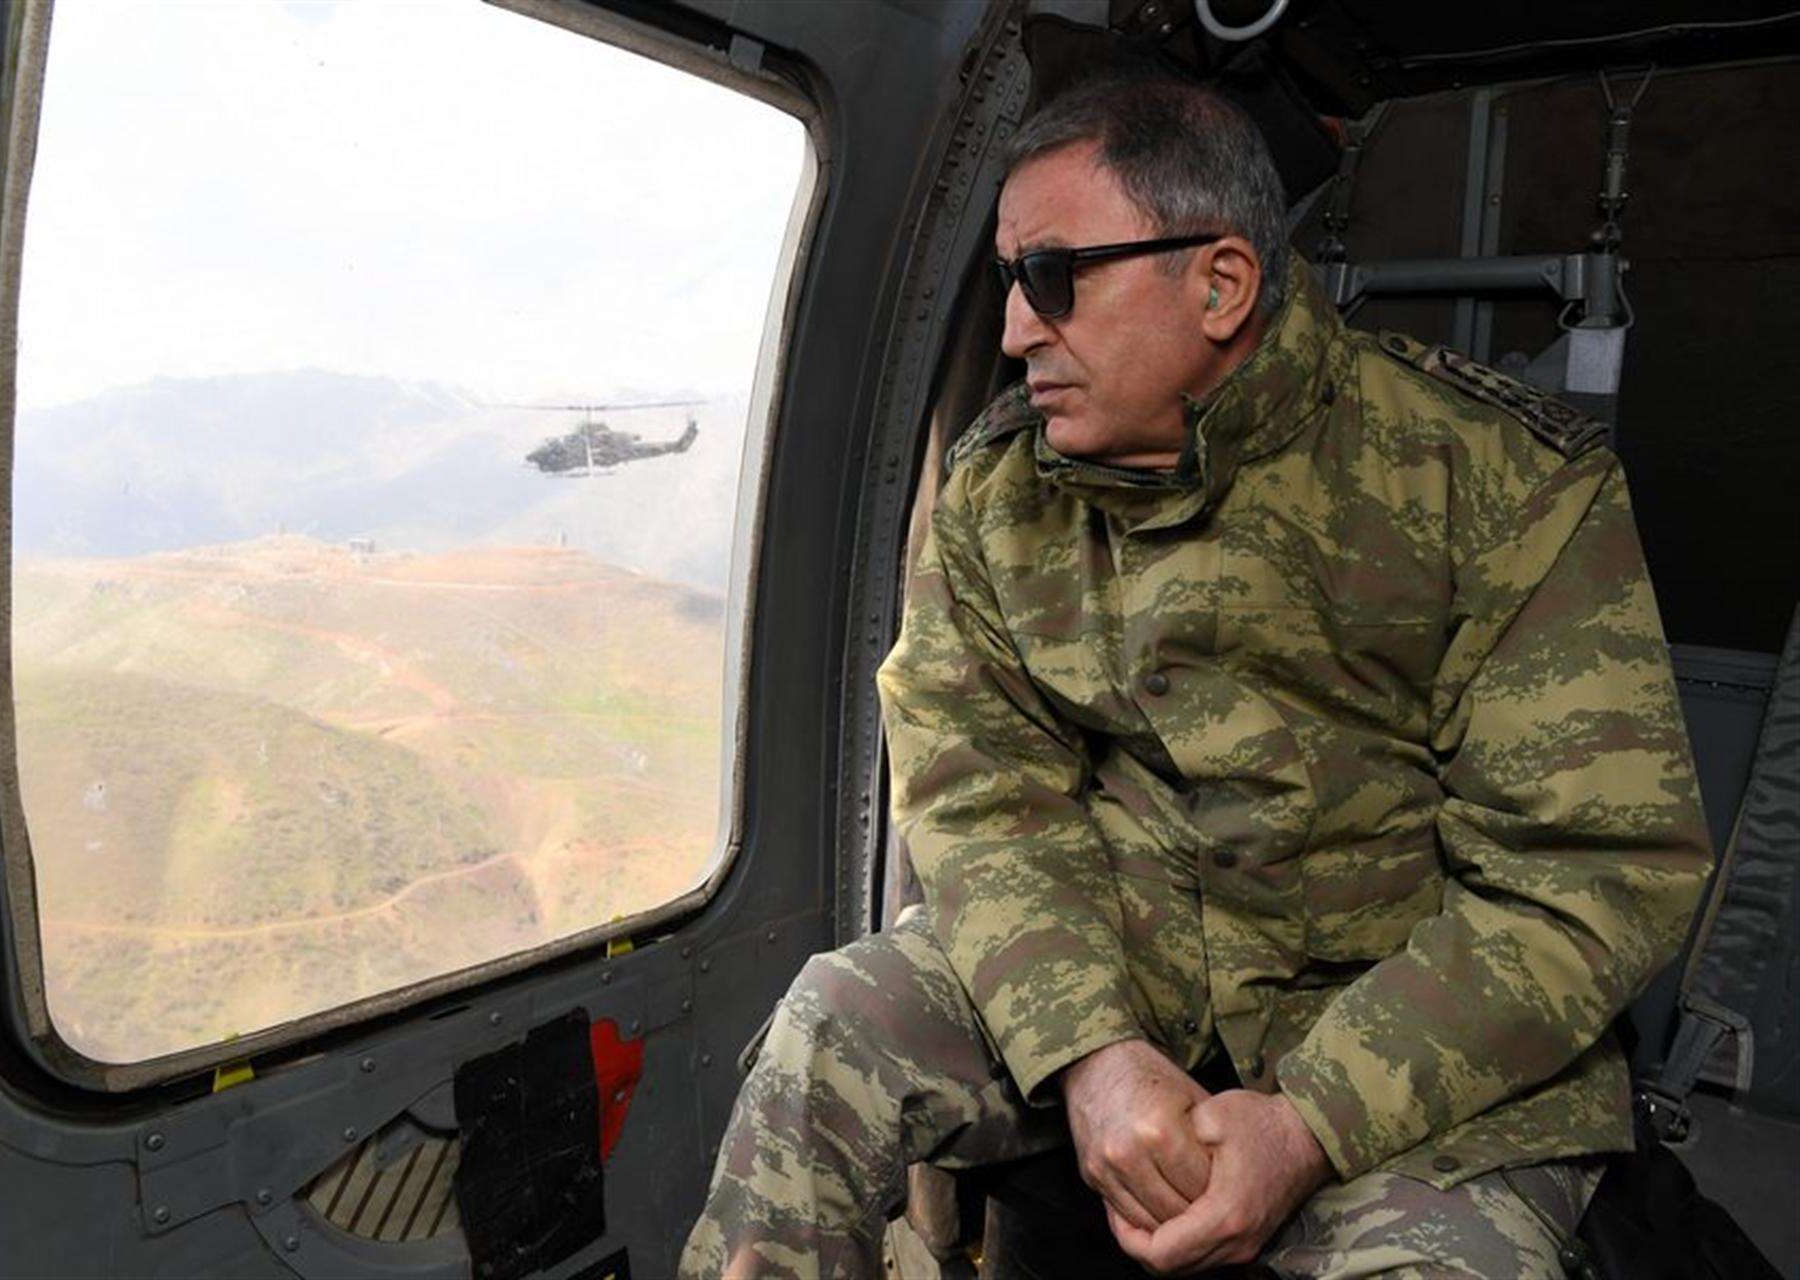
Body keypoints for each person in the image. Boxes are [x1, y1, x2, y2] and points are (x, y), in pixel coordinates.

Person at [681, 70, 1709, 1279]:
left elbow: (1589, 873)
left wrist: (1312, 1116)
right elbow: (980, 793)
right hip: (1122, 971)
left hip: (1411, 1033)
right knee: (827, 1027)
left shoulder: (1500, 483)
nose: (1015, 331)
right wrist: (1090, 1049)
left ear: (1220, 284)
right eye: (1010, 281)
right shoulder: (1001, 496)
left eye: (1052, 277)